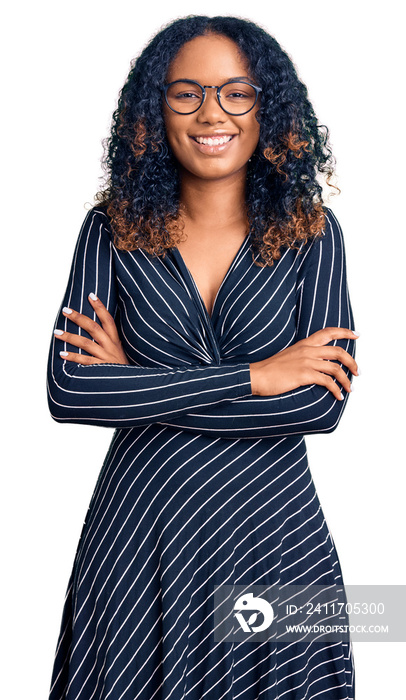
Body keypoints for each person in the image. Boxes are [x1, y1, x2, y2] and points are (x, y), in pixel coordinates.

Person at [47, 15, 358, 700]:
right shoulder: (112, 227)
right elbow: (70, 392)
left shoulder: (311, 232)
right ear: (153, 112)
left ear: (265, 108)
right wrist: (257, 376)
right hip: (139, 541)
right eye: (185, 93)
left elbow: (317, 407)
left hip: (276, 538)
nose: (210, 111)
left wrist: (137, 382)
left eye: (235, 92)